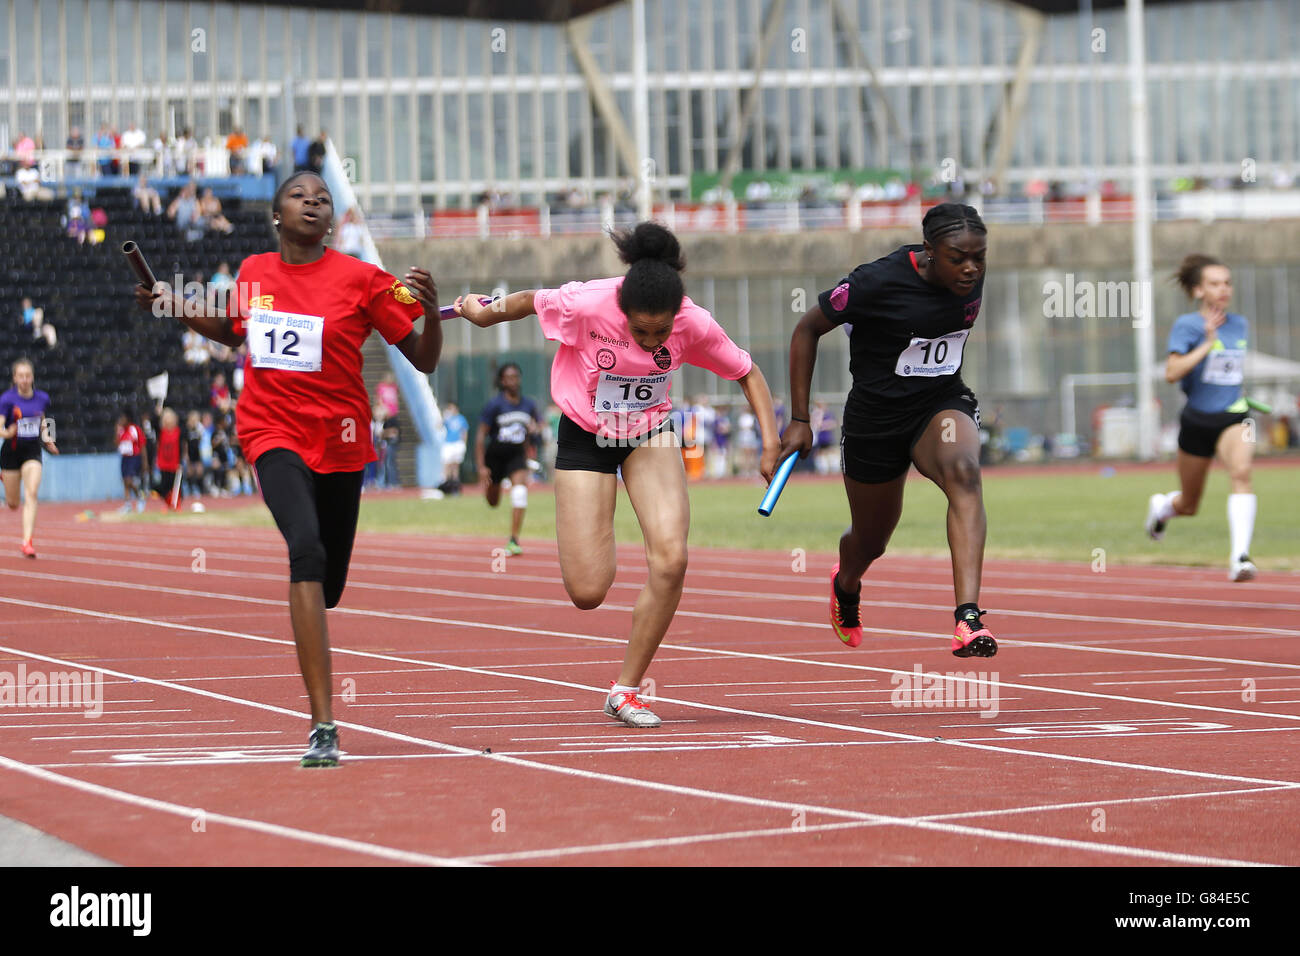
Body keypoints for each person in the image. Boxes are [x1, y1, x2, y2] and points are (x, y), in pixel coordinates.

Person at [134, 170, 444, 767]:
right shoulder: (254, 272)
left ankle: (318, 607)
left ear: (332, 219)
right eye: (300, 195)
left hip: (342, 438)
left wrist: (429, 313)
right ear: (277, 215)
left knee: (328, 585)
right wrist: (173, 305)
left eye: (323, 198)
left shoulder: (363, 279)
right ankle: (323, 723)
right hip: (270, 431)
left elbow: (424, 360)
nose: (313, 201)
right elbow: (232, 332)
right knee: (305, 549)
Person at [455, 222, 781, 728]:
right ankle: (599, 536)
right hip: (586, 434)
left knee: (672, 558)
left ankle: (626, 690)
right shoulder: (585, 304)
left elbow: (746, 372)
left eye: (661, 332)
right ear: (622, 310)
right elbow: (523, 301)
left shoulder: (694, 322)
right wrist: (483, 314)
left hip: (650, 434)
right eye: (640, 331)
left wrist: (770, 441)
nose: (652, 343)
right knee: (588, 591)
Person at [781, 202, 998, 659]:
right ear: (930, 251)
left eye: (979, 256)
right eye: (958, 257)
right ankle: (846, 583)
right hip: (875, 421)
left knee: (965, 473)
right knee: (871, 539)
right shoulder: (875, 281)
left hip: (938, 404)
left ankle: (968, 618)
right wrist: (800, 420)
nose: (971, 268)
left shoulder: (970, 278)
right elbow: (806, 330)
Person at [1145, 254, 1259, 581]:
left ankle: (1240, 558)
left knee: (1242, 471)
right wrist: (1207, 344)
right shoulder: (1188, 326)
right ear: (1198, 291)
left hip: (1234, 417)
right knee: (1190, 505)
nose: (1223, 289)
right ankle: (1163, 507)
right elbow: (1171, 372)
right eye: (1214, 283)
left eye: (1227, 283)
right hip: (1197, 421)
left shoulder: (1240, 324)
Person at [474, 363, 540, 555]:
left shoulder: (529, 405)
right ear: (502, 381)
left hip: (516, 456)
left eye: (516, 376)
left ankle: (513, 539)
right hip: (495, 455)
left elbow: (534, 428)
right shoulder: (494, 405)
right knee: (493, 502)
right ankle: (492, 487)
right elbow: (480, 437)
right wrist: (481, 466)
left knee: (520, 492)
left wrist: (534, 436)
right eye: (509, 377)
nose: (513, 380)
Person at [1, 359, 59, 557]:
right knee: (13, 503)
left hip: (32, 450)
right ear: (15, 378)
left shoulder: (42, 398)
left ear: (32, 377)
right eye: (21, 376)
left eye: (28, 376)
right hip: (11, 451)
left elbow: (45, 420)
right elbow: (0, 426)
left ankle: (27, 542)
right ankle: (6, 479)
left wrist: (49, 440)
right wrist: (6, 433)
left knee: (32, 493)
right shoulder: (7, 399)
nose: (24, 380)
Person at [116, 409, 147, 513]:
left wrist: (144, 461)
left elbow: (142, 445)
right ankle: (127, 504)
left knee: (129, 480)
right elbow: (117, 443)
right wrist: (116, 431)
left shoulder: (135, 429)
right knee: (125, 481)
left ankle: (140, 496)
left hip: (134, 457)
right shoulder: (121, 430)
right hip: (125, 458)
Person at [156, 407, 185, 510]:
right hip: (163, 463)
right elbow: (153, 423)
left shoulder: (178, 431)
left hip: (175, 463)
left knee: (176, 486)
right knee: (164, 487)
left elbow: (182, 446)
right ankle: (168, 504)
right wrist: (158, 413)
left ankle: (177, 504)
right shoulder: (161, 432)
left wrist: (182, 460)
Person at [441, 401, 468, 494]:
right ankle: (446, 484)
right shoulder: (448, 419)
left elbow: (464, 431)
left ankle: (455, 485)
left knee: (455, 465)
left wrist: (463, 443)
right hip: (448, 443)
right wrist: (444, 417)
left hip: (457, 443)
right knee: (447, 463)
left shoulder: (461, 419)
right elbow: (438, 426)